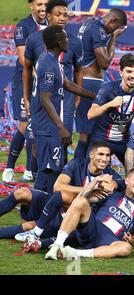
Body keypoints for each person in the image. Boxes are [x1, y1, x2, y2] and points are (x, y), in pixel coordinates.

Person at [14, 142, 124, 243]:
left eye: (107, 155)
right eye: (100, 154)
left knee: (30, 225)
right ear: (91, 155)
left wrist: (110, 184)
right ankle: (37, 232)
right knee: (21, 193)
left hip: (83, 218)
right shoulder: (77, 163)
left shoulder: (110, 174)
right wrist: (89, 188)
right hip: (62, 206)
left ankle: (40, 236)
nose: (104, 159)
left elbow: (119, 184)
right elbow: (57, 186)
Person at [31, 25, 96, 194]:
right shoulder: (48, 65)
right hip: (47, 127)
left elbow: (67, 83)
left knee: (50, 168)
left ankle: (36, 207)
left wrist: (94, 96)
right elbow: (45, 99)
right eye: (66, 38)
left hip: (49, 125)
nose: (69, 40)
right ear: (59, 41)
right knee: (51, 169)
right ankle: (39, 207)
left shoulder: (53, 61)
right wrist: (62, 128)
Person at [23, 0, 84, 167]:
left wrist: (77, 99)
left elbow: (79, 70)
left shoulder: (75, 42)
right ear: (48, 15)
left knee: (63, 138)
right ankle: (37, 178)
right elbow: (27, 69)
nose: (63, 18)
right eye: (58, 14)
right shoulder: (34, 39)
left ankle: (59, 182)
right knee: (36, 139)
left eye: (65, 14)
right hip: (41, 99)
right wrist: (26, 97)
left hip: (65, 101)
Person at [45, 168, 134, 260]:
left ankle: (75, 252)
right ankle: (56, 246)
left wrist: (132, 239)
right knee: (81, 201)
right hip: (93, 227)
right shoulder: (111, 193)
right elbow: (80, 200)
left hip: (110, 239)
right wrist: (94, 184)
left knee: (126, 248)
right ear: (126, 181)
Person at [3, 0, 48, 182]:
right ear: (31, 5)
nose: (43, 8)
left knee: (37, 126)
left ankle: (30, 169)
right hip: (26, 82)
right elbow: (23, 58)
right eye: (39, 4)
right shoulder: (24, 26)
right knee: (24, 126)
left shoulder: (53, 24)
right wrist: (41, 74)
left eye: (46, 4)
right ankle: (10, 168)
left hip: (46, 83)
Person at [74, 8, 127, 159]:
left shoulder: (90, 24)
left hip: (86, 81)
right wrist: (114, 38)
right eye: (115, 29)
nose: (112, 32)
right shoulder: (98, 29)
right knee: (87, 135)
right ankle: (77, 171)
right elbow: (104, 62)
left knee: (90, 134)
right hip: (90, 83)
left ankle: (84, 171)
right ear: (113, 21)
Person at [87, 54, 134, 164]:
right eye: (129, 71)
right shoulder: (108, 88)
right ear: (121, 72)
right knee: (91, 170)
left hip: (124, 140)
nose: (133, 75)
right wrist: (110, 104)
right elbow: (90, 114)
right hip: (102, 138)